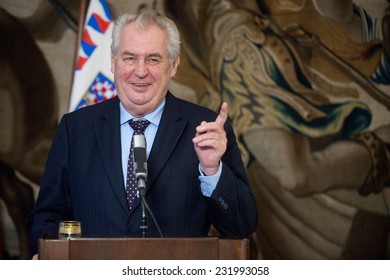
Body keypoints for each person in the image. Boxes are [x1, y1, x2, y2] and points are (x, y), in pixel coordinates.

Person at [25, 9, 258, 258]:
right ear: (113, 62)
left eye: (153, 59)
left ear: (174, 64)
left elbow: (241, 226)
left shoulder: (206, 128)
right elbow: (46, 216)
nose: (140, 71)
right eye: (129, 58)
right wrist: (46, 254)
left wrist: (212, 171)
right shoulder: (76, 128)